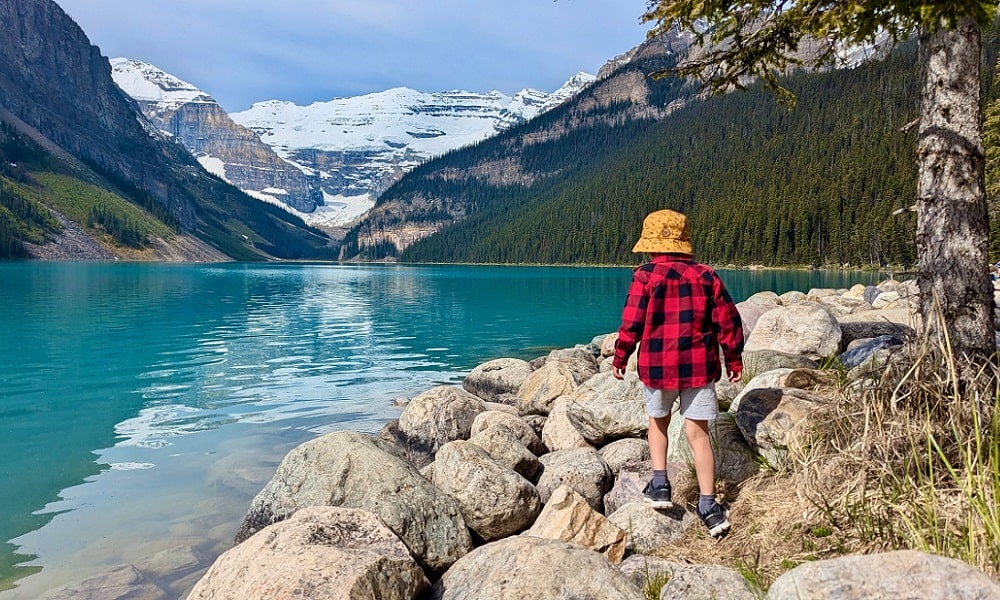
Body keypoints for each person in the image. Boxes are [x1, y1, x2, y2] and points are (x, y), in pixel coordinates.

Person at [611, 209, 745, 538]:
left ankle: (660, 484)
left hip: (657, 368)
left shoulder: (645, 277)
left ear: (650, 246)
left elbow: (632, 323)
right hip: (699, 369)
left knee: (658, 423)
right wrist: (734, 360)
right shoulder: (706, 276)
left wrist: (620, 354)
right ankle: (709, 505)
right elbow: (728, 322)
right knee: (697, 435)